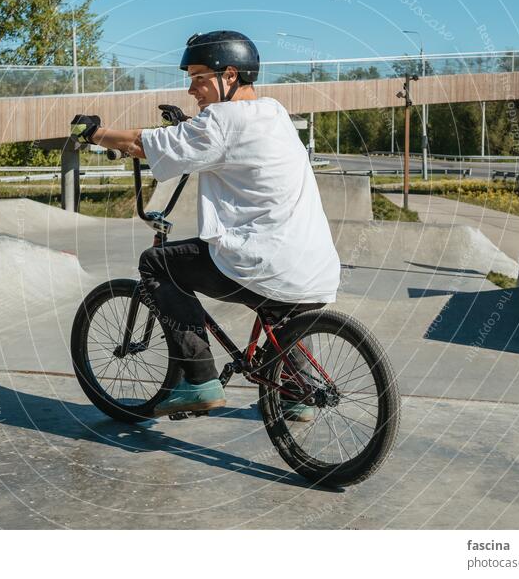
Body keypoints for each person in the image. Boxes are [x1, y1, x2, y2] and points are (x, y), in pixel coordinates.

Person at [75, 30, 340, 420]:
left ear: (229, 75)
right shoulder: (274, 111)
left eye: (199, 77)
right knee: (282, 306)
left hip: (263, 260)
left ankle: (199, 379)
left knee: (157, 262)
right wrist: (185, 130)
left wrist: (95, 133)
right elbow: (213, 142)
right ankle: (297, 393)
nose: (192, 89)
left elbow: (138, 143)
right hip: (316, 267)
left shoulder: (219, 120)